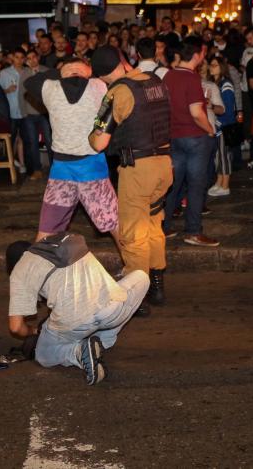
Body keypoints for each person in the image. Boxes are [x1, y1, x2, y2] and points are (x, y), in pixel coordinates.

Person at [88, 46, 173, 311]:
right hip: (164, 165)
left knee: (134, 234)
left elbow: (100, 142)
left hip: (138, 170)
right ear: (123, 62)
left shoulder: (119, 91)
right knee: (154, 225)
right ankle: (157, 285)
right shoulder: (156, 81)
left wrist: (91, 133)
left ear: (101, 76)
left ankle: (137, 298)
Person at [6, 235, 149, 386]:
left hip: (78, 322)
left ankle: (78, 352)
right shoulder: (55, 242)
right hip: (113, 309)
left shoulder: (20, 270)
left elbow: (16, 328)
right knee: (141, 277)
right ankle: (102, 340)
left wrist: (34, 331)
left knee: (43, 354)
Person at [23, 58, 119, 244]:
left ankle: (34, 272)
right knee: (115, 225)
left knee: (46, 231)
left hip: (61, 170)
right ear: (88, 71)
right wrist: (85, 72)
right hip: (92, 168)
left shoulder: (50, 88)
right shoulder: (99, 85)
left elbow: (30, 82)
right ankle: (134, 268)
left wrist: (60, 72)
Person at [161, 36, 220, 247]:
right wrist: (210, 129)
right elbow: (196, 112)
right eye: (202, 53)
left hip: (174, 136)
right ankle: (193, 231)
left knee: (173, 184)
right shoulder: (192, 79)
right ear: (196, 55)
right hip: (194, 137)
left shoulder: (168, 76)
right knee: (196, 185)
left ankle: (163, 227)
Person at [205, 56, 237, 197]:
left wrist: (218, 125)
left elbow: (229, 110)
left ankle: (225, 185)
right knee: (219, 156)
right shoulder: (214, 83)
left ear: (221, 67)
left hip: (224, 126)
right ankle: (219, 182)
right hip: (218, 125)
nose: (211, 67)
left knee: (224, 156)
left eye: (214, 65)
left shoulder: (226, 84)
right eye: (210, 65)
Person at [20, 49, 52, 180]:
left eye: (34, 57)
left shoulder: (46, 71)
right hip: (30, 112)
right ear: (26, 61)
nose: (32, 60)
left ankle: (55, 169)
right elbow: (20, 94)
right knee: (32, 142)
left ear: (38, 57)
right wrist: (24, 113)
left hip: (45, 112)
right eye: (29, 58)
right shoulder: (24, 73)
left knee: (50, 141)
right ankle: (37, 170)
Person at [0, 49, 30, 174]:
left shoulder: (28, 71)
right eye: (16, 57)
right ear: (13, 58)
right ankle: (10, 163)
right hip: (10, 111)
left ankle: (22, 163)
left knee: (23, 138)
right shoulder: (4, 73)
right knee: (11, 139)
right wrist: (7, 90)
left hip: (25, 111)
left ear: (24, 59)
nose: (19, 60)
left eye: (21, 57)